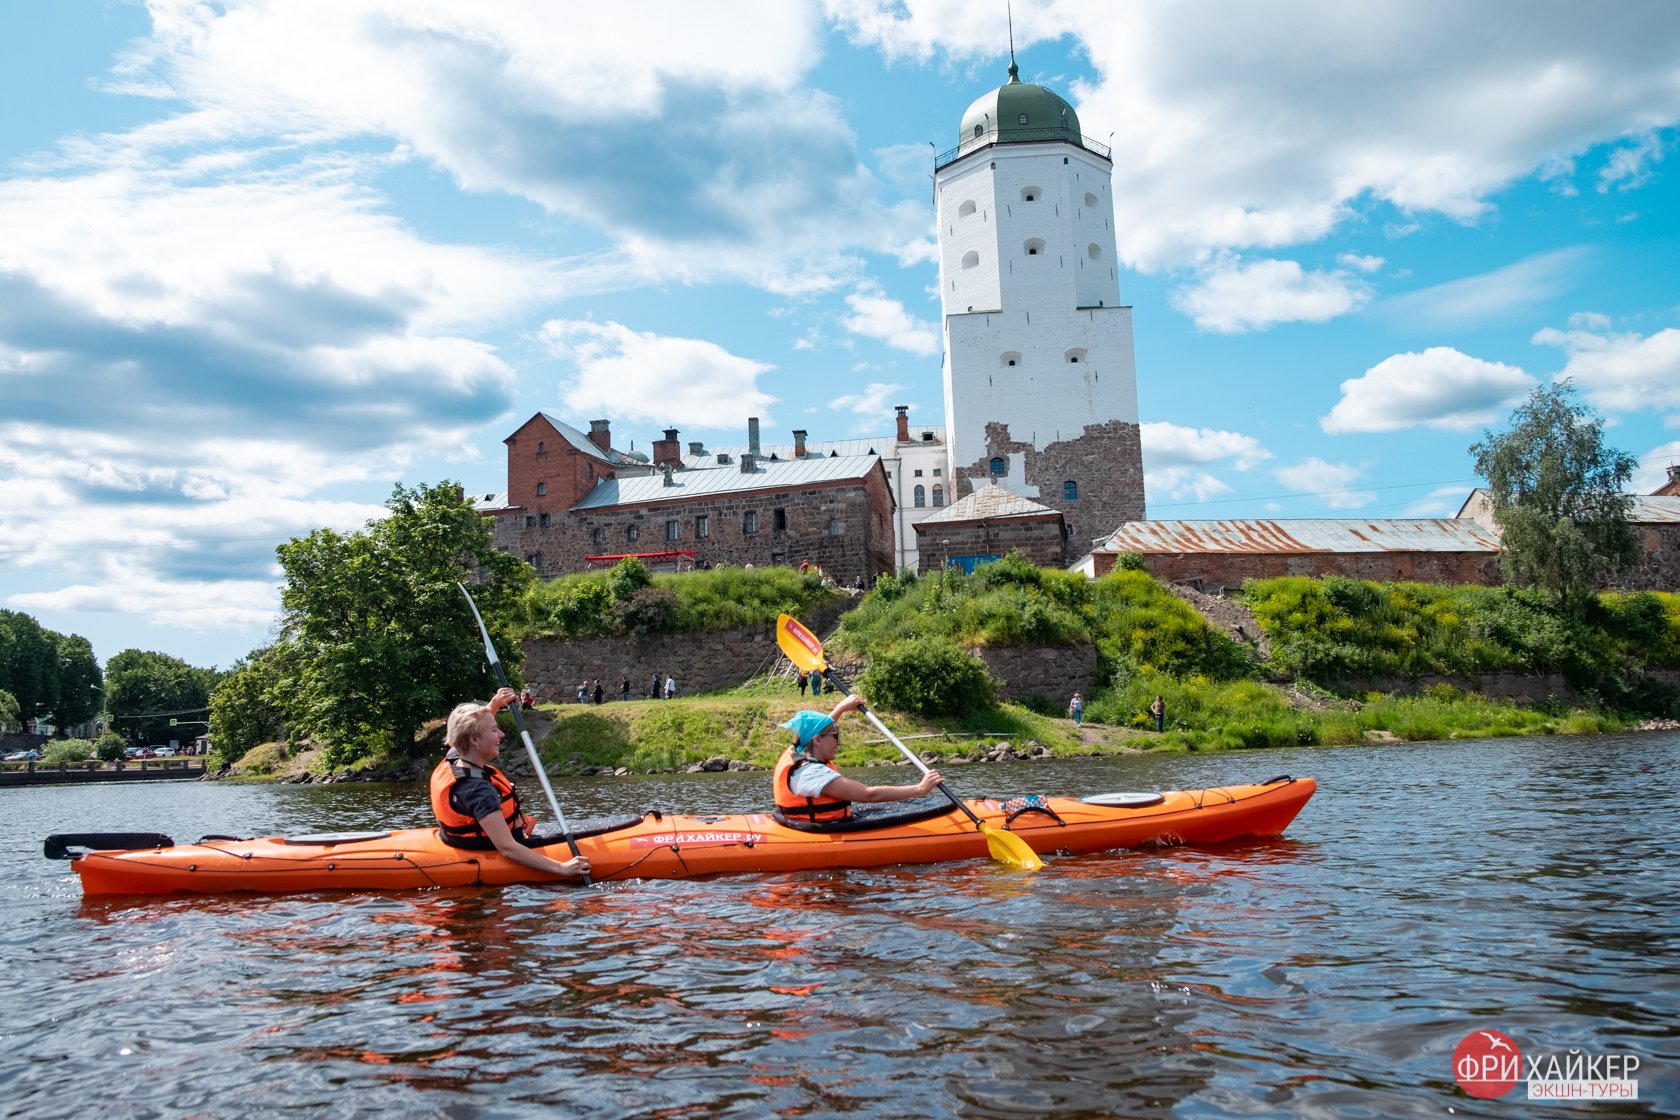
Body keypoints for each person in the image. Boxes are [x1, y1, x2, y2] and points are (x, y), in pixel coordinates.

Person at [429, 686, 590, 880]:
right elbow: (507, 848)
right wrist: (562, 868)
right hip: (486, 849)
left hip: (456, 839)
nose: (501, 735)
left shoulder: (456, 757)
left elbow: (471, 727)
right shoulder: (477, 791)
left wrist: (495, 704)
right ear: (474, 740)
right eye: (494, 730)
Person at [774, 694, 945, 824]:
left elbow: (817, 730)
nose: (838, 742)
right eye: (835, 736)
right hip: (820, 830)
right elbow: (869, 794)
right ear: (817, 740)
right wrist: (920, 789)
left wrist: (841, 708)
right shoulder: (813, 774)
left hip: (800, 822)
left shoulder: (796, 750)